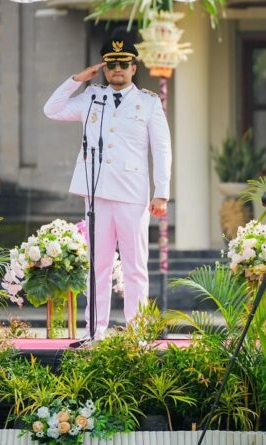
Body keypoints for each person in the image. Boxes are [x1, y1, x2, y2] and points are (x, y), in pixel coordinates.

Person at [43, 34, 172, 340]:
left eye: (123, 64)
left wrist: (162, 192)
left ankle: (138, 332)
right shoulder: (91, 96)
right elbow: (52, 109)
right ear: (103, 68)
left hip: (132, 194)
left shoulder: (148, 103)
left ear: (133, 67)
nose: (117, 69)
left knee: (135, 267)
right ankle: (94, 331)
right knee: (97, 266)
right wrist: (77, 79)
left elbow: (162, 148)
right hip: (97, 192)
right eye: (111, 64)